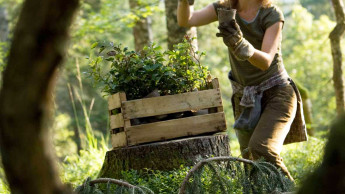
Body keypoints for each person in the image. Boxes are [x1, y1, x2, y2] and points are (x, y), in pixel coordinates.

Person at [177, 0, 308, 181]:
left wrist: (239, 43)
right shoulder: (224, 8)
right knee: (250, 163)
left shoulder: (271, 14)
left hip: (277, 93)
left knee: (261, 149)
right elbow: (187, 20)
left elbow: (265, 61)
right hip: (245, 98)